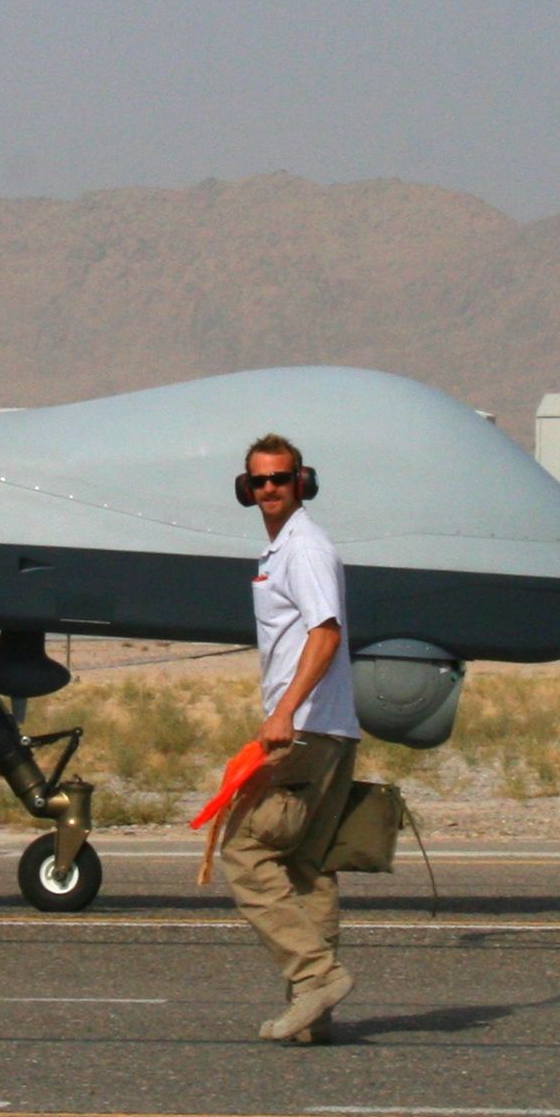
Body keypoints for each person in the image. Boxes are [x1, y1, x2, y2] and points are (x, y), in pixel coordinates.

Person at [220, 433, 360, 1042]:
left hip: (304, 731)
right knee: (308, 867)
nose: (270, 489)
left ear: (302, 482)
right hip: (331, 729)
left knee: (245, 853)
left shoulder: (303, 548)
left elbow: (324, 634)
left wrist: (285, 713)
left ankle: (313, 978)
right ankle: (316, 1015)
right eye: (260, 481)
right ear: (245, 490)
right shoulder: (283, 549)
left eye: (280, 478)